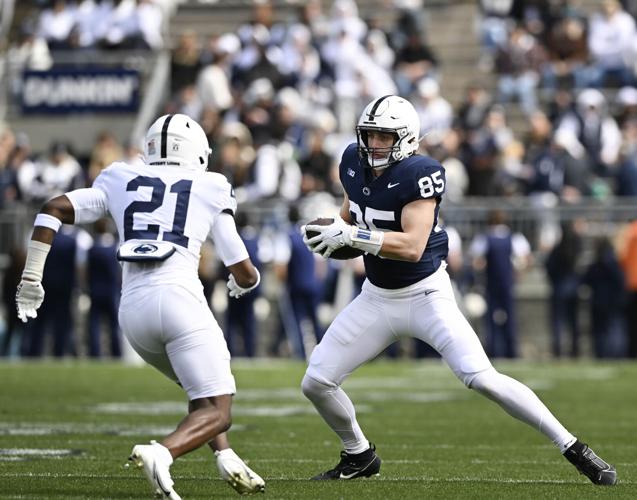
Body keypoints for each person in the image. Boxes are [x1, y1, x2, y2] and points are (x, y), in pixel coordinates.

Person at [301, 95, 616, 485]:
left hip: (426, 294)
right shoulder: (352, 161)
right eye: (369, 135)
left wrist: (351, 234)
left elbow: (412, 245)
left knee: (481, 377)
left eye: (383, 136)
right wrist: (333, 236)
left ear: (406, 138)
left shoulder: (421, 172)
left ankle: (573, 447)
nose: (373, 144)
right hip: (376, 297)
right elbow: (352, 215)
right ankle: (359, 454)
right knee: (316, 382)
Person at [15, 114, 265, 498]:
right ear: (197, 151)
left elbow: (51, 208)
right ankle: (161, 452)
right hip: (181, 299)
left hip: (132, 313)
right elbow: (241, 266)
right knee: (219, 409)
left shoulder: (119, 177)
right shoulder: (212, 184)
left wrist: (32, 276)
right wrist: (246, 280)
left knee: (202, 391)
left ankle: (226, 454)